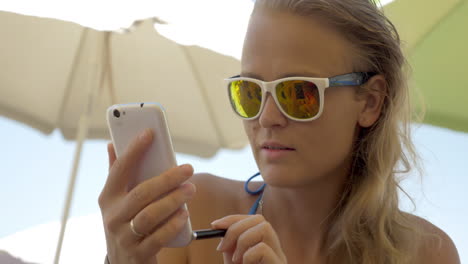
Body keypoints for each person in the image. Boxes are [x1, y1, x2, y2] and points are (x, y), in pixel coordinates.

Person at [98, 0, 461, 263]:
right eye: (250, 92)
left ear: (370, 102)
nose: (267, 117)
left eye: (299, 93)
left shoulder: (427, 252)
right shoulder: (192, 215)